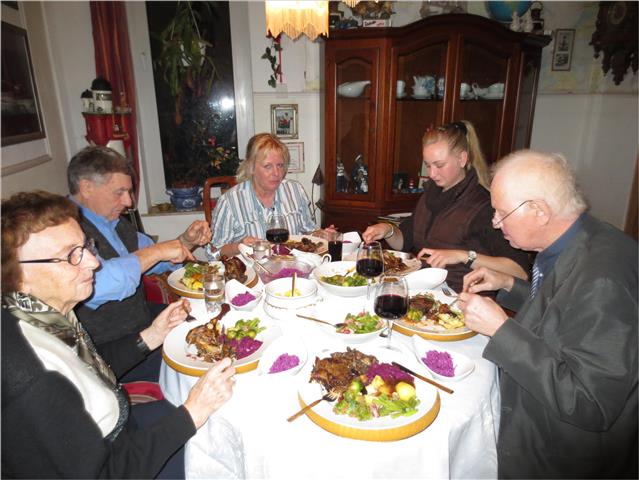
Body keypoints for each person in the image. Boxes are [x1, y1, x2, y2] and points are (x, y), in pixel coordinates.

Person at [1, 191, 236, 478]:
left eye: (86, 246)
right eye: (71, 255)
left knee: (225, 423)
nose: (93, 262)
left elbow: (87, 369)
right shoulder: (32, 377)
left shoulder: (44, 316)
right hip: (122, 462)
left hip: (124, 430)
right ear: (19, 276)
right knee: (224, 452)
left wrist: (151, 335)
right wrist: (192, 413)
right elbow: (107, 474)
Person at [459, 150, 638, 478]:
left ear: (539, 211)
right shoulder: (579, 239)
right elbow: (567, 311)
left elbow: (590, 402)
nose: (495, 223)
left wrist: (501, 330)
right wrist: (510, 284)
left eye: (502, 213)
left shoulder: (603, 280)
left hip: (560, 458)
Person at [67, 146, 211, 349]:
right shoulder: (65, 229)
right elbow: (100, 284)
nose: (128, 201)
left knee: (213, 329)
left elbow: (155, 260)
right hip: (108, 346)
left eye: (129, 192)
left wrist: (186, 242)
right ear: (87, 188)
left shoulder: (115, 222)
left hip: (144, 322)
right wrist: (157, 252)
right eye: (120, 192)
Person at [363, 121, 528, 292]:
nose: (432, 174)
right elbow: (404, 242)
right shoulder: (430, 195)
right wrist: (388, 230)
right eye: (428, 165)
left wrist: (464, 256)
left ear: (462, 159)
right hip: (425, 293)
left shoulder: (484, 206)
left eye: (439, 165)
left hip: (465, 298)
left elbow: (520, 271)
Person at [208, 133, 326, 258]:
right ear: (251, 168)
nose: (276, 173)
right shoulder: (229, 202)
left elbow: (309, 230)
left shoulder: (295, 190)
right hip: (253, 268)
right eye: (268, 166)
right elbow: (213, 253)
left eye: (280, 165)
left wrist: (321, 235)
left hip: (295, 266)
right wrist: (239, 246)